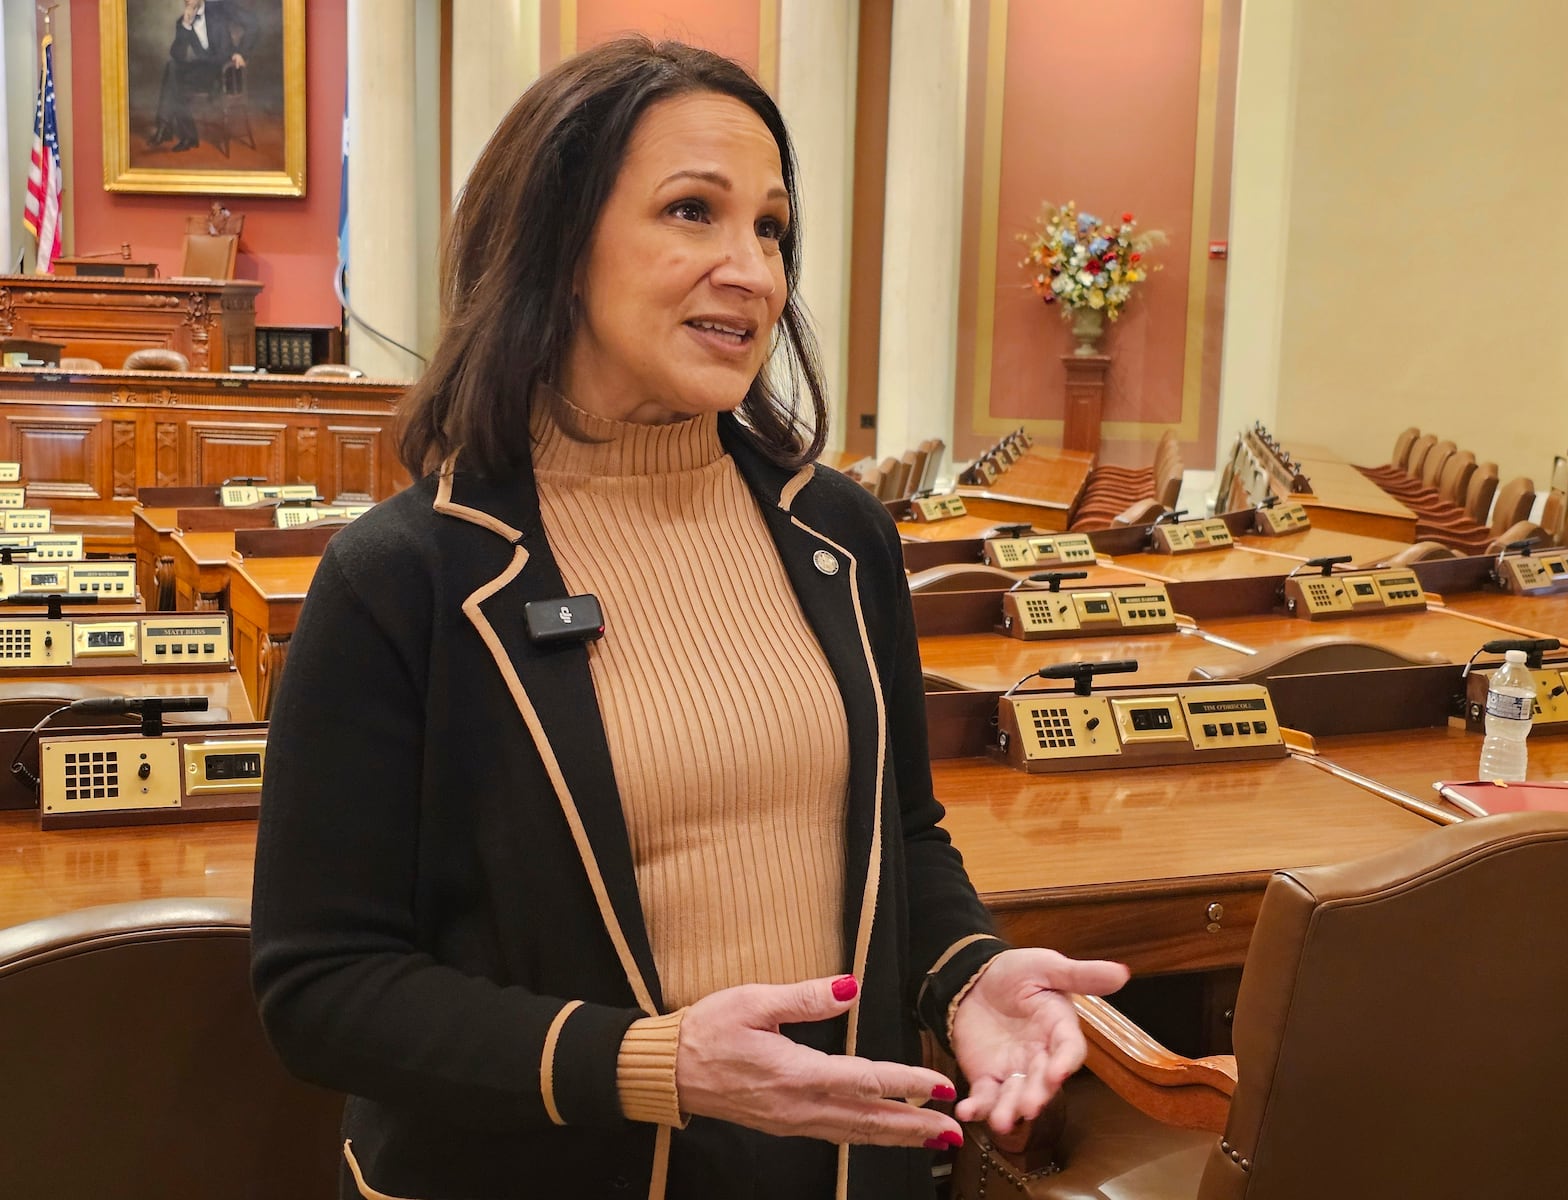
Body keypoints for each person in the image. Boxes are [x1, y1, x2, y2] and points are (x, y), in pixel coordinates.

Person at [250, 37, 1128, 1200]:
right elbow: (324, 988)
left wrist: (967, 976)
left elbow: (898, 837)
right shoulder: (402, 577)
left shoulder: (841, 537)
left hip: (837, 1174)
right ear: (556, 247)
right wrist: (652, 1064)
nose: (752, 270)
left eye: (768, 227)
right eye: (690, 212)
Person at [148, 0, 256, 152]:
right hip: (205, 72)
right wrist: (186, 25)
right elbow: (177, 55)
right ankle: (170, 128)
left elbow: (253, 24)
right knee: (172, 68)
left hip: (226, 73)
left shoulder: (220, 7)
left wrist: (241, 52)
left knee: (174, 79)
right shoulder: (183, 21)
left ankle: (174, 131)